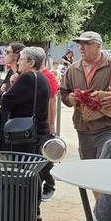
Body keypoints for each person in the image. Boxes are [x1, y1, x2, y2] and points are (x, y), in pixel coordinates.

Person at [59, 32, 111, 162]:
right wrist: (70, 98)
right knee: (87, 170)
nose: (81, 48)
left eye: (86, 44)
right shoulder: (73, 69)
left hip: (108, 128)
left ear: (98, 46)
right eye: (79, 44)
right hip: (83, 129)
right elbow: (63, 92)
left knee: (104, 168)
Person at [1, 46, 51, 221]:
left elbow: (6, 101)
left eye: (21, 59)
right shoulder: (42, 78)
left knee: (26, 170)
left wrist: (6, 89)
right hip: (38, 131)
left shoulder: (28, 78)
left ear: (31, 62)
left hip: (26, 134)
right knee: (33, 170)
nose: (18, 61)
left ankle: (29, 207)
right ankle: (34, 207)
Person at [0, 41, 26, 152]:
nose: (4, 54)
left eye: (7, 52)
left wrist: (4, 94)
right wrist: (3, 93)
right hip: (3, 119)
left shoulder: (23, 75)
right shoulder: (9, 73)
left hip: (15, 122)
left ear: (17, 55)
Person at [38, 52, 60, 200]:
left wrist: (51, 126)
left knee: (44, 158)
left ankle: (49, 185)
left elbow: (52, 101)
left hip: (44, 124)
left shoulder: (48, 76)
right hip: (39, 124)